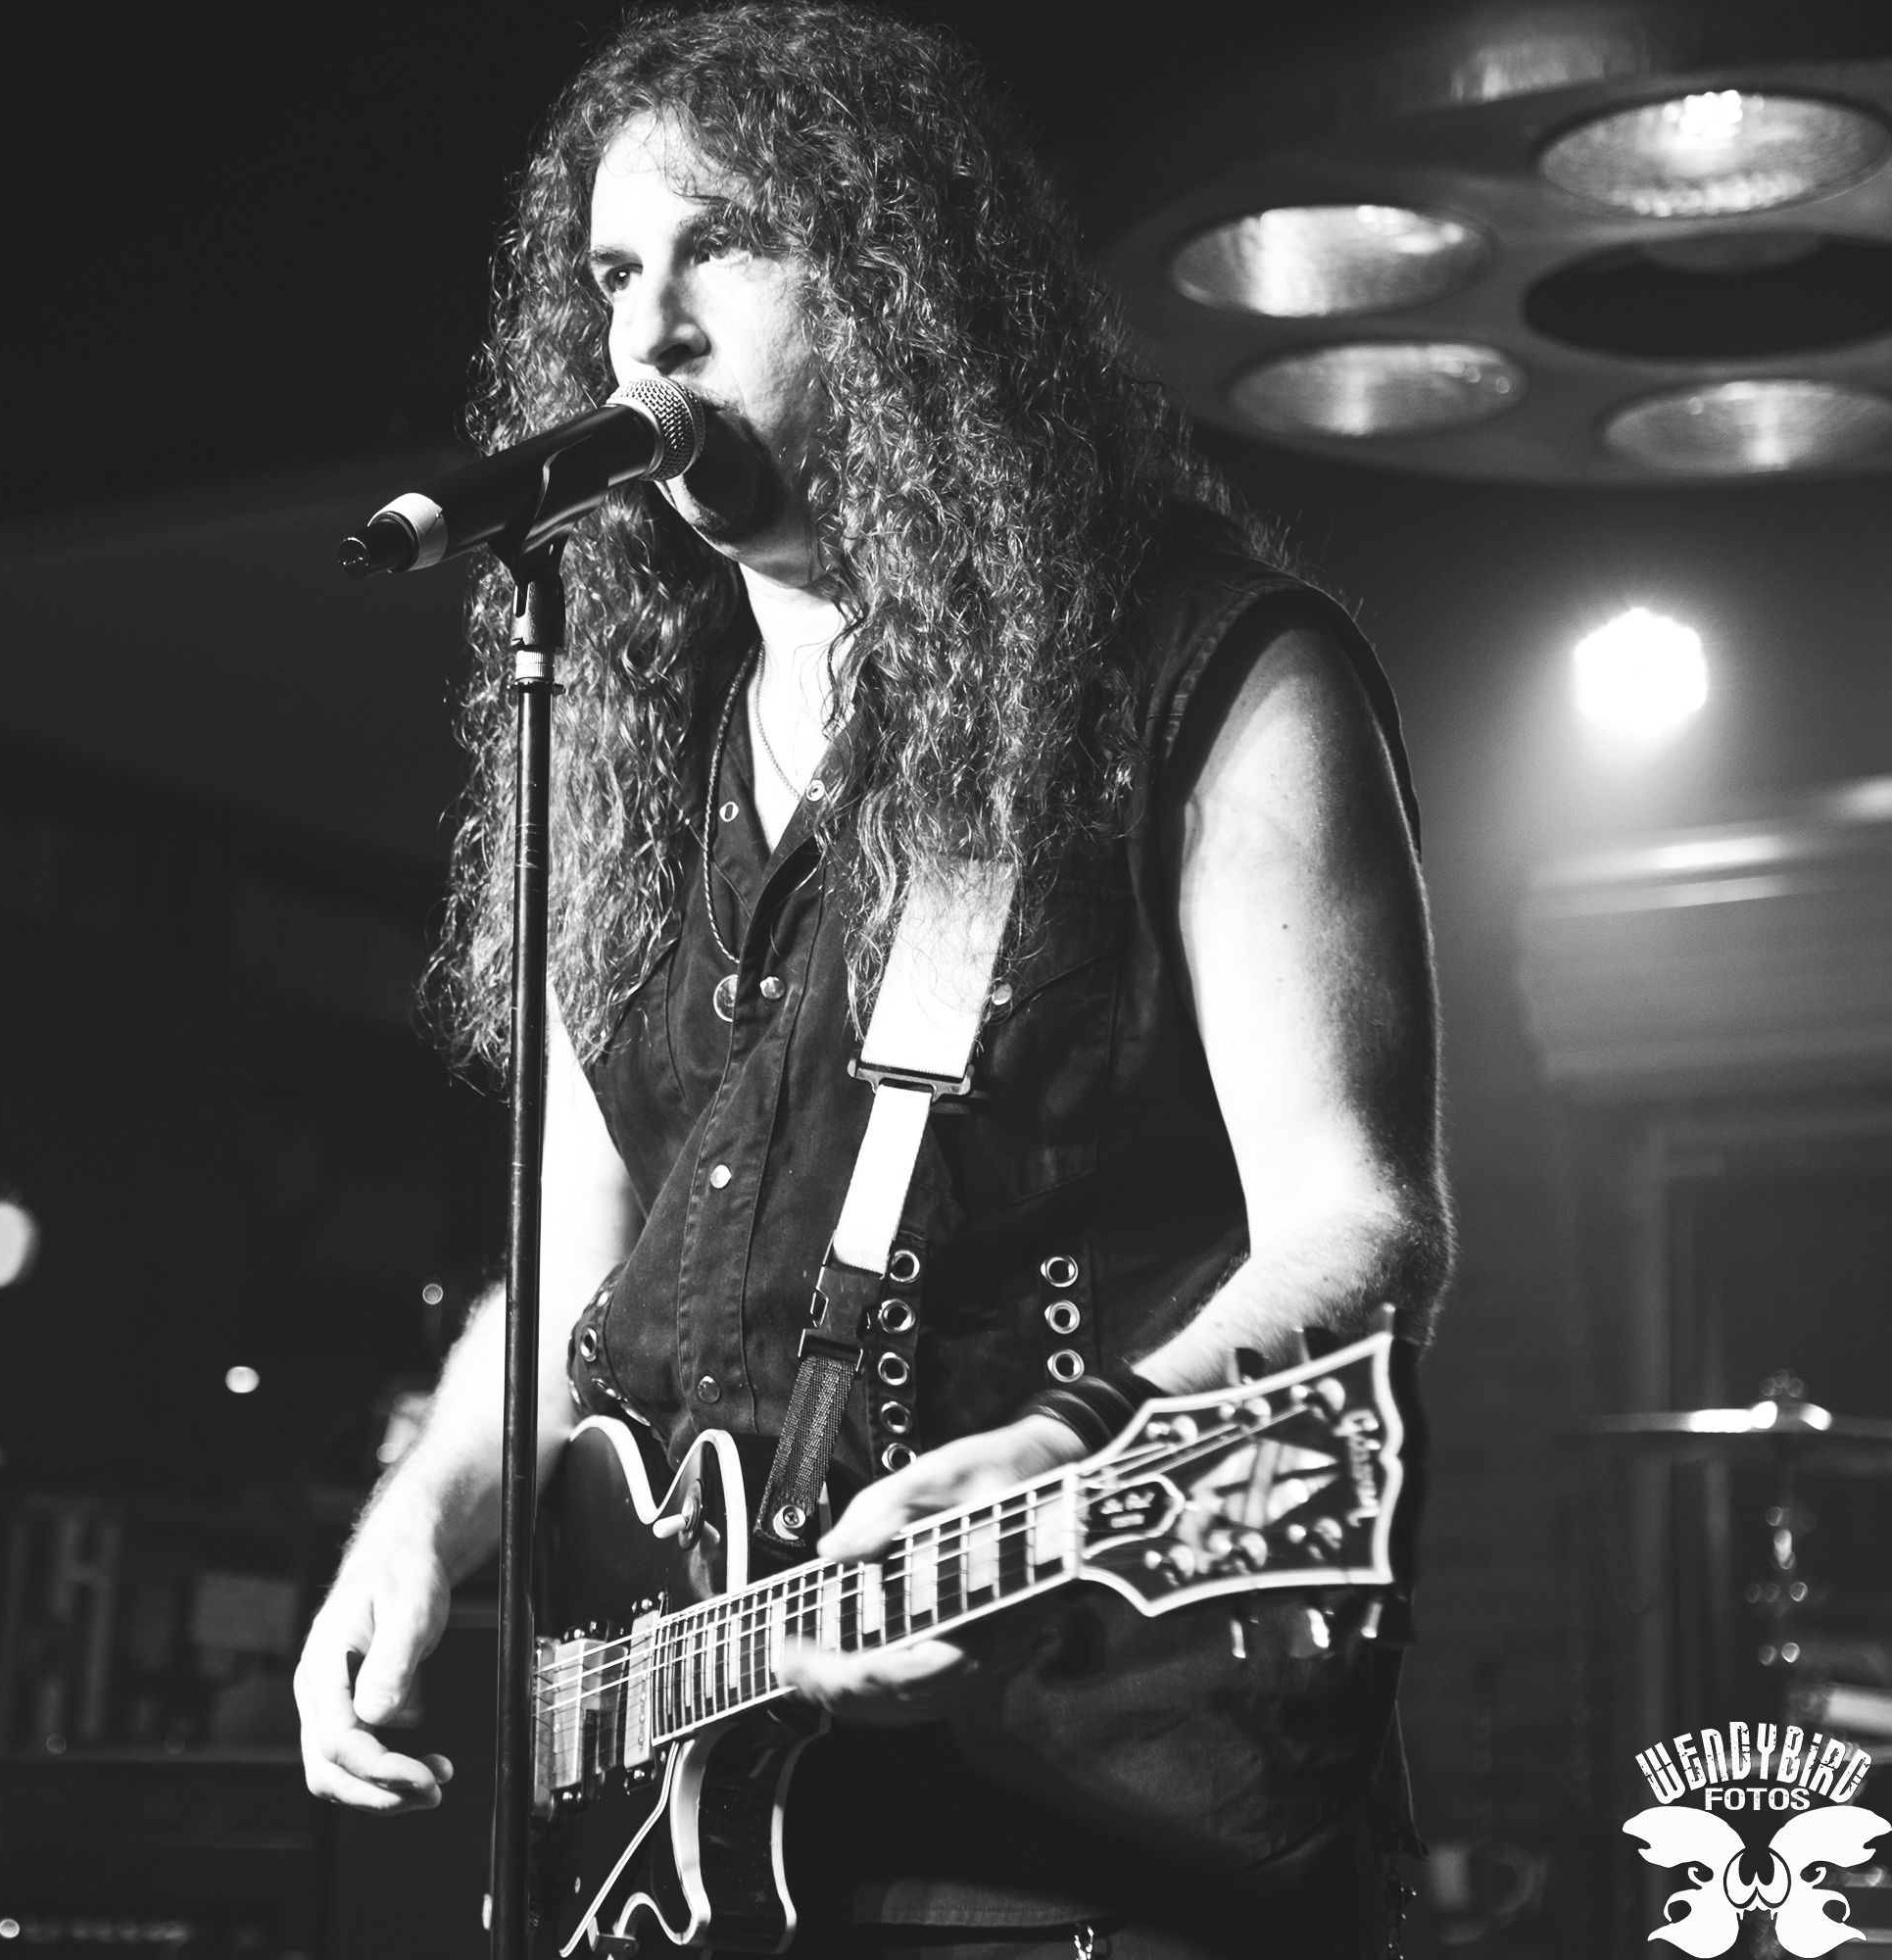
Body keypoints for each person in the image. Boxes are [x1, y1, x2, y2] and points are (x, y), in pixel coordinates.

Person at [294, 8, 1449, 1957]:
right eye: (612, 273)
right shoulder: (633, 759)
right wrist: (423, 1515)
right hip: (703, 1836)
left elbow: (1361, 1224)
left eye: (721, 246)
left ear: (905, 283)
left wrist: (1075, 1444)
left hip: (1090, 1818)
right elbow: (569, 1281)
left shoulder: (1204, 674)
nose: (650, 331)